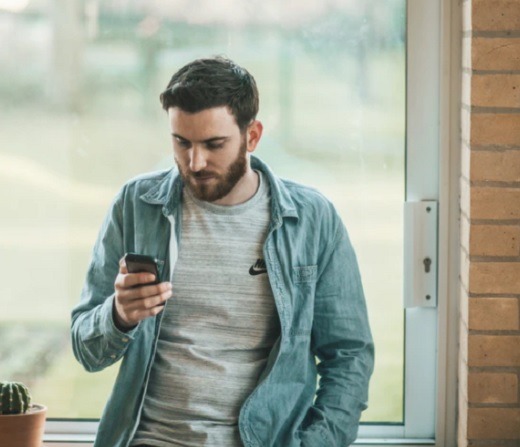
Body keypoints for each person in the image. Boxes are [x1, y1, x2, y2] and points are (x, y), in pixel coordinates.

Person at [71, 56, 374, 447]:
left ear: (252, 136)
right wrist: (119, 315)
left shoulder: (312, 220)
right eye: (181, 142)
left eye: (214, 145)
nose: (195, 162)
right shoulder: (135, 205)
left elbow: (349, 355)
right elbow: (85, 349)